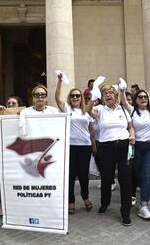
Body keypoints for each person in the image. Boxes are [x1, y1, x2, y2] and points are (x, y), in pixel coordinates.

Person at [86, 84, 135, 226]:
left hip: (124, 145)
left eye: (110, 93)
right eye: (105, 93)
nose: (108, 95)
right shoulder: (100, 109)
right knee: (107, 178)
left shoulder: (123, 109)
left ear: (115, 96)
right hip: (106, 147)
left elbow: (130, 127)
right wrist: (93, 96)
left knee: (125, 180)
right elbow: (87, 110)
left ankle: (125, 212)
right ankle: (105, 203)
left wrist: (132, 136)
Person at [55, 73, 95, 214]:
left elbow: (91, 130)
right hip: (70, 146)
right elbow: (57, 99)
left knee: (84, 174)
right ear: (70, 98)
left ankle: (85, 197)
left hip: (85, 147)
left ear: (81, 98)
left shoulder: (87, 111)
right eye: (73, 96)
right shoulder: (67, 108)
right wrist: (60, 82)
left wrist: (94, 146)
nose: (75, 98)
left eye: (78, 96)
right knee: (71, 175)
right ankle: (70, 201)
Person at [120, 88, 150, 220]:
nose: (143, 99)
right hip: (136, 147)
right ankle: (146, 196)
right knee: (137, 174)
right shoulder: (132, 111)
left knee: (147, 174)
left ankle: (143, 206)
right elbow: (124, 102)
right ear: (136, 100)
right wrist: (122, 90)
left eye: (145, 97)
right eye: (140, 97)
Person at [0, 95, 23, 217]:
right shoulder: (1, 117)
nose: (11, 105)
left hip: (19, 155)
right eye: (9, 103)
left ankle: (19, 206)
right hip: (5, 155)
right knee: (3, 181)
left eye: (13, 103)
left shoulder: (23, 115)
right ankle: (3, 206)